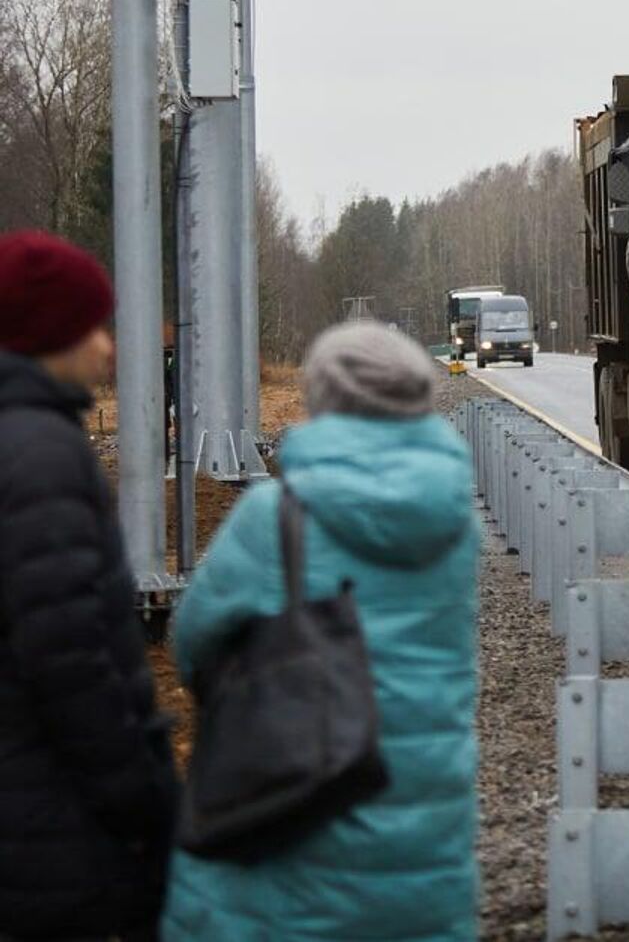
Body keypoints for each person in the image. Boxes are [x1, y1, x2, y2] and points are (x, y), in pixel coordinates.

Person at [163, 322, 479, 941]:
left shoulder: (273, 515)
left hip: (291, 816)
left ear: (323, 401)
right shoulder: (453, 527)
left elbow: (191, 645)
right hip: (423, 836)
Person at [0, 231, 179, 941]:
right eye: (91, 327)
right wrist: (145, 803)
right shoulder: (39, 455)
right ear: (48, 334)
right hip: (51, 827)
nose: (108, 349)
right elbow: (72, 664)